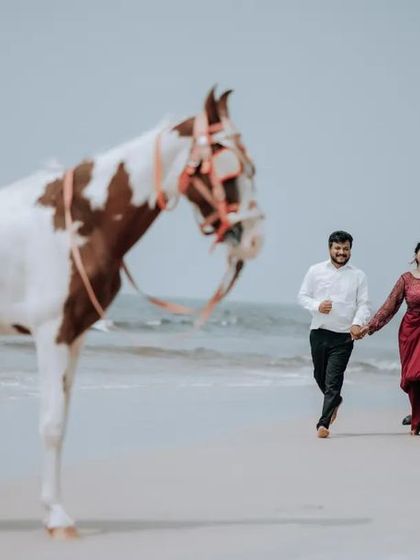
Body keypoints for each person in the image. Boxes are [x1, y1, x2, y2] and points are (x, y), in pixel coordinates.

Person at [298, 231, 370, 438]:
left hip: (343, 336)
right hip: (319, 332)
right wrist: (317, 305)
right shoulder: (315, 271)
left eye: (345, 249)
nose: (341, 252)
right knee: (318, 375)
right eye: (337, 248)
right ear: (330, 248)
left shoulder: (358, 275)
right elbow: (302, 296)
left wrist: (357, 323)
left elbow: (363, 304)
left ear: (350, 250)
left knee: (333, 381)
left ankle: (323, 424)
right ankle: (336, 401)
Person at [360, 243, 420, 434]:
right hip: (410, 331)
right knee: (412, 376)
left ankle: (417, 422)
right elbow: (390, 305)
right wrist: (371, 326)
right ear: (416, 255)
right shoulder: (406, 279)